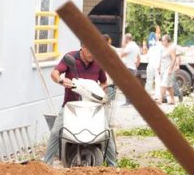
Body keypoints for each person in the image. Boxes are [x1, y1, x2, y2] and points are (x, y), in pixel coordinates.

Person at [42, 39, 117, 167]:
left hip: (93, 106)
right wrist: (61, 81)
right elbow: (55, 73)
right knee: (55, 132)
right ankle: (45, 165)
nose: (93, 54)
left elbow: (103, 82)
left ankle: (113, 167)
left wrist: (101, 90)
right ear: (83, 47)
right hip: (71, 106)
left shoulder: (98, 62)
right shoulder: (71, 57)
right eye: (91, 50)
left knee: (106, 133)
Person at [119, 33, 140, 105]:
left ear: (127, 39)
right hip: (133, 67)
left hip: (128, 67)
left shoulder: (129, 46)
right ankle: (131, 100)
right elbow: (138, 59)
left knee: (126, 85)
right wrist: (136, 66)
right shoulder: (136, 46)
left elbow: (122, 54)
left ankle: (128, 101)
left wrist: (123, 46)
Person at [158, 34, 178, 105]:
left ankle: (160, 99)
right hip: (163, 69)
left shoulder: (171, 48)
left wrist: (170, 69)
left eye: (163, 41)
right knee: (169, 86)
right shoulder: (164, 49)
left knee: (163, 84)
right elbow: (161, 59)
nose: (162, 42)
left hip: (168, 69)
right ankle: (172, 100)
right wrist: (159, 67)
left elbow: (174, 59)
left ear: (166, 40)